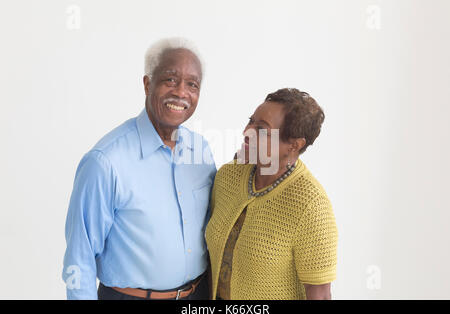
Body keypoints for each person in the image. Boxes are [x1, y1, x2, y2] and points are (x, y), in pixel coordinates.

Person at [62, 37, 216, 300]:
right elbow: (80, 257)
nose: (181, 92)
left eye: (192, 84)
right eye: (170, 80)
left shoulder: (200, 151)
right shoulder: (105, 162)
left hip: (198, 296)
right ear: (147, 84)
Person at [205, 88, 338, 300]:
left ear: (294, 144)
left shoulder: (311, 204)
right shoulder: (228, 176)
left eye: (261, 129)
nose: (246, 131)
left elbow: (320, 295)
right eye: (250, 121)